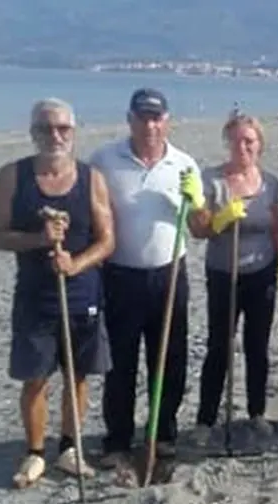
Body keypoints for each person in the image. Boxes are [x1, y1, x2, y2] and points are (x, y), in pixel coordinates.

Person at [0, 98, 116, 488]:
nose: (55, 136)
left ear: (73, 133)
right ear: (33, 134)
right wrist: (37, 239)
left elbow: (107, 240)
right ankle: (35, 452)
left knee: (77, 376)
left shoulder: (91, 178)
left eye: (62, 128)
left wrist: (76, 264)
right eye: (46, 129)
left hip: (81, 293)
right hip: (35, 294)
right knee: (36, 377)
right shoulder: (13, 175)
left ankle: (69, 448)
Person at [87, 88, 206, 469]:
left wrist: (196, 201)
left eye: (157, 118)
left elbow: (202, 228)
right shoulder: (104, 161)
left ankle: (163, 434)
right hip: (120, 275)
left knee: (169, 360)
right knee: (120, 362)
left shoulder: (184, 165)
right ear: (130, 120)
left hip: (170, 274)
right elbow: (91, 217)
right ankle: (117, 440)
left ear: (167, 121)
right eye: (143, 117)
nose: (150, 125)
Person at [192, 111, 278, 444]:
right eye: (236, 140)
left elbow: (276, 229)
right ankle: (206, 419)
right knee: (219, 346)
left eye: (249, 140)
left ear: (259, 144)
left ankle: (256, 413)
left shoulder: (271, 184)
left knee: (257, 346)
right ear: (227, 142)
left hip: (261, 274)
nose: (242, 146)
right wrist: (220, 219)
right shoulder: (212, 180)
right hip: (223, 274)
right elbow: (199, 230)